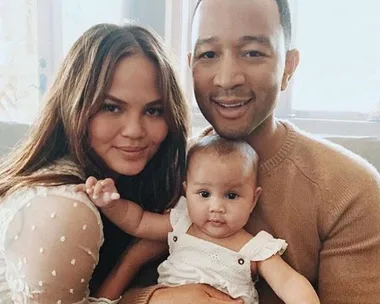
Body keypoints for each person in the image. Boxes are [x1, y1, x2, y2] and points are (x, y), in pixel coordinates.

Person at [120, 0, 380, 303]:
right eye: (208, 54)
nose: (227, 78)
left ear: (289, 66)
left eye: (253, 53)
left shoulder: (350, 190)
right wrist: (153, 299)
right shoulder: (162, 164)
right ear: (191, 66)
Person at [0, 22, 189, 303]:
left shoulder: (123, 183)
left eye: (153, 110)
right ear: (74, 103)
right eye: (111, 107)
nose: (135, 130)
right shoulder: (65, 207)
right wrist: (134, 264)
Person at [77, 135, 320, 304]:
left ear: (253, 200)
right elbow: (138, 221)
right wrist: (110, 204)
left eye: (232, 195)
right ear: (186, 192)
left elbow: (289, 282)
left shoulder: (254, 248)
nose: (216, 207)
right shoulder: (182, 223)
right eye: (204, 194)